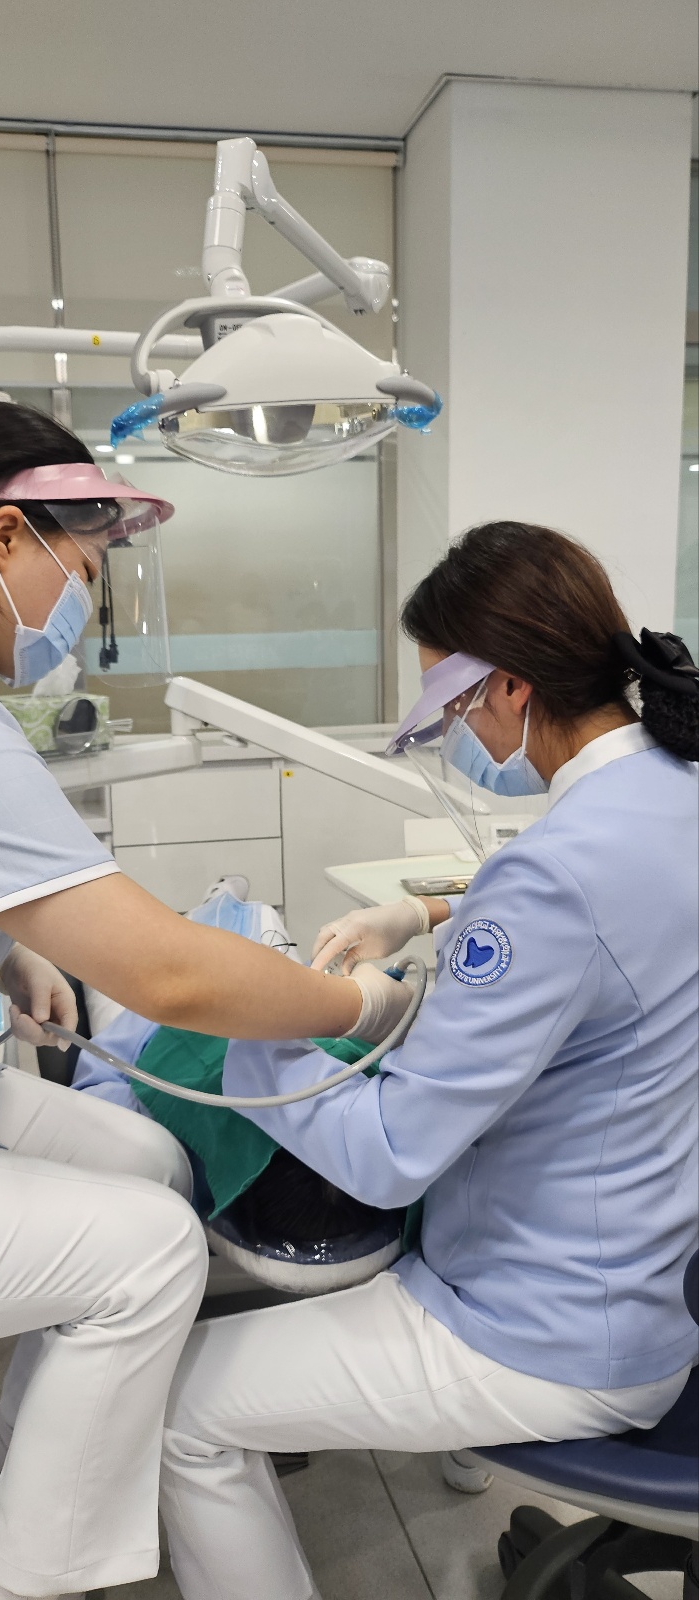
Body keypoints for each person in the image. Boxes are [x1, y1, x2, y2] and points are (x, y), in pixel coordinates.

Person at [0, 402, 409, 1600]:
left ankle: (5, 1467)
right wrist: (352, 1004)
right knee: (149, 1257)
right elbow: (167, 973)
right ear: (8, 537)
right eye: (86, 569)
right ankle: (10, 1589)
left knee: (148, 1161)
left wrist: (0, 953)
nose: (88, 598)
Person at [147, 521, 698, 1600]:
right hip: (649, 1284)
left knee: (179, 1410)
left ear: (508, 687)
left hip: (546, 1330)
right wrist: (423, 926)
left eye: (449, 705)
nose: (451, 733)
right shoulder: (673, 792)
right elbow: (590, 968)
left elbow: (388, 1156)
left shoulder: (554, 877)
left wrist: (256, 1024)